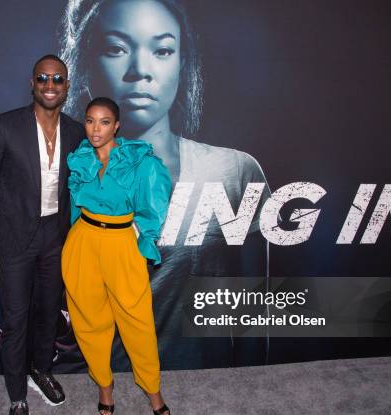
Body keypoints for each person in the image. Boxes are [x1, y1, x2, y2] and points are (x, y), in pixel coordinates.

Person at [58, 0, 271, 370]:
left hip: (205, 400)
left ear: (182, 62)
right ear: (87, 61)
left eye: (162, 50)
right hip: (89, 393)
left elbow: (252, 320)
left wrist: (249, 404)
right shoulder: (63, 177)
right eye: (116, 49)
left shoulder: (234, 173)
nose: (140, 71)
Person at [0, 54, 86, 415]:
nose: (50, 84)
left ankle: (42, 369)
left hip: (57, 238)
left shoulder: (76, 131)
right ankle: (19, 401)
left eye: (58, 78)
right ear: (32, 83)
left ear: (67, 85)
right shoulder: (4, 126)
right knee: (17, 319)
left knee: (48, 314)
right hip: (14, 241)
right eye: (43, 78)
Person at [62, 97, 172, 415]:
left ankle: (153, 390)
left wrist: (146, 242)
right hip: (83, 241)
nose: (96, 129)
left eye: (104, 122)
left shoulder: (139, 161)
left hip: (121, 242)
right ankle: (104, 387)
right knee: (88, 321)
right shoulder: (80, 159)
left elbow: (153, 207)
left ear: (117, 125)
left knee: (138, 322)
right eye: (90, 121)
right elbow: (72, 208)